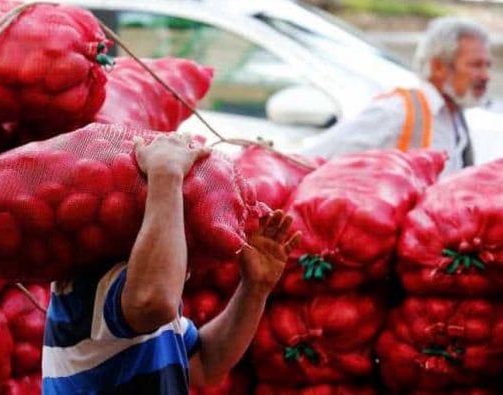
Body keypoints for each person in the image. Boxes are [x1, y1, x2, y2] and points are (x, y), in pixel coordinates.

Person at [41, 133, 301, 394]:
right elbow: (153, 301)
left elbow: (206, 364)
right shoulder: (94, 283)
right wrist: (166, 176)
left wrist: (255, 288)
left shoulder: (140, 291)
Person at [302, 16, 492, 175]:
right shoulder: (397, 111)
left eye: (487, 65)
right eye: (475, 65)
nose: (485, 75)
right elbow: (310, 161)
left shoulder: (455, 116)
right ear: (438, 67)